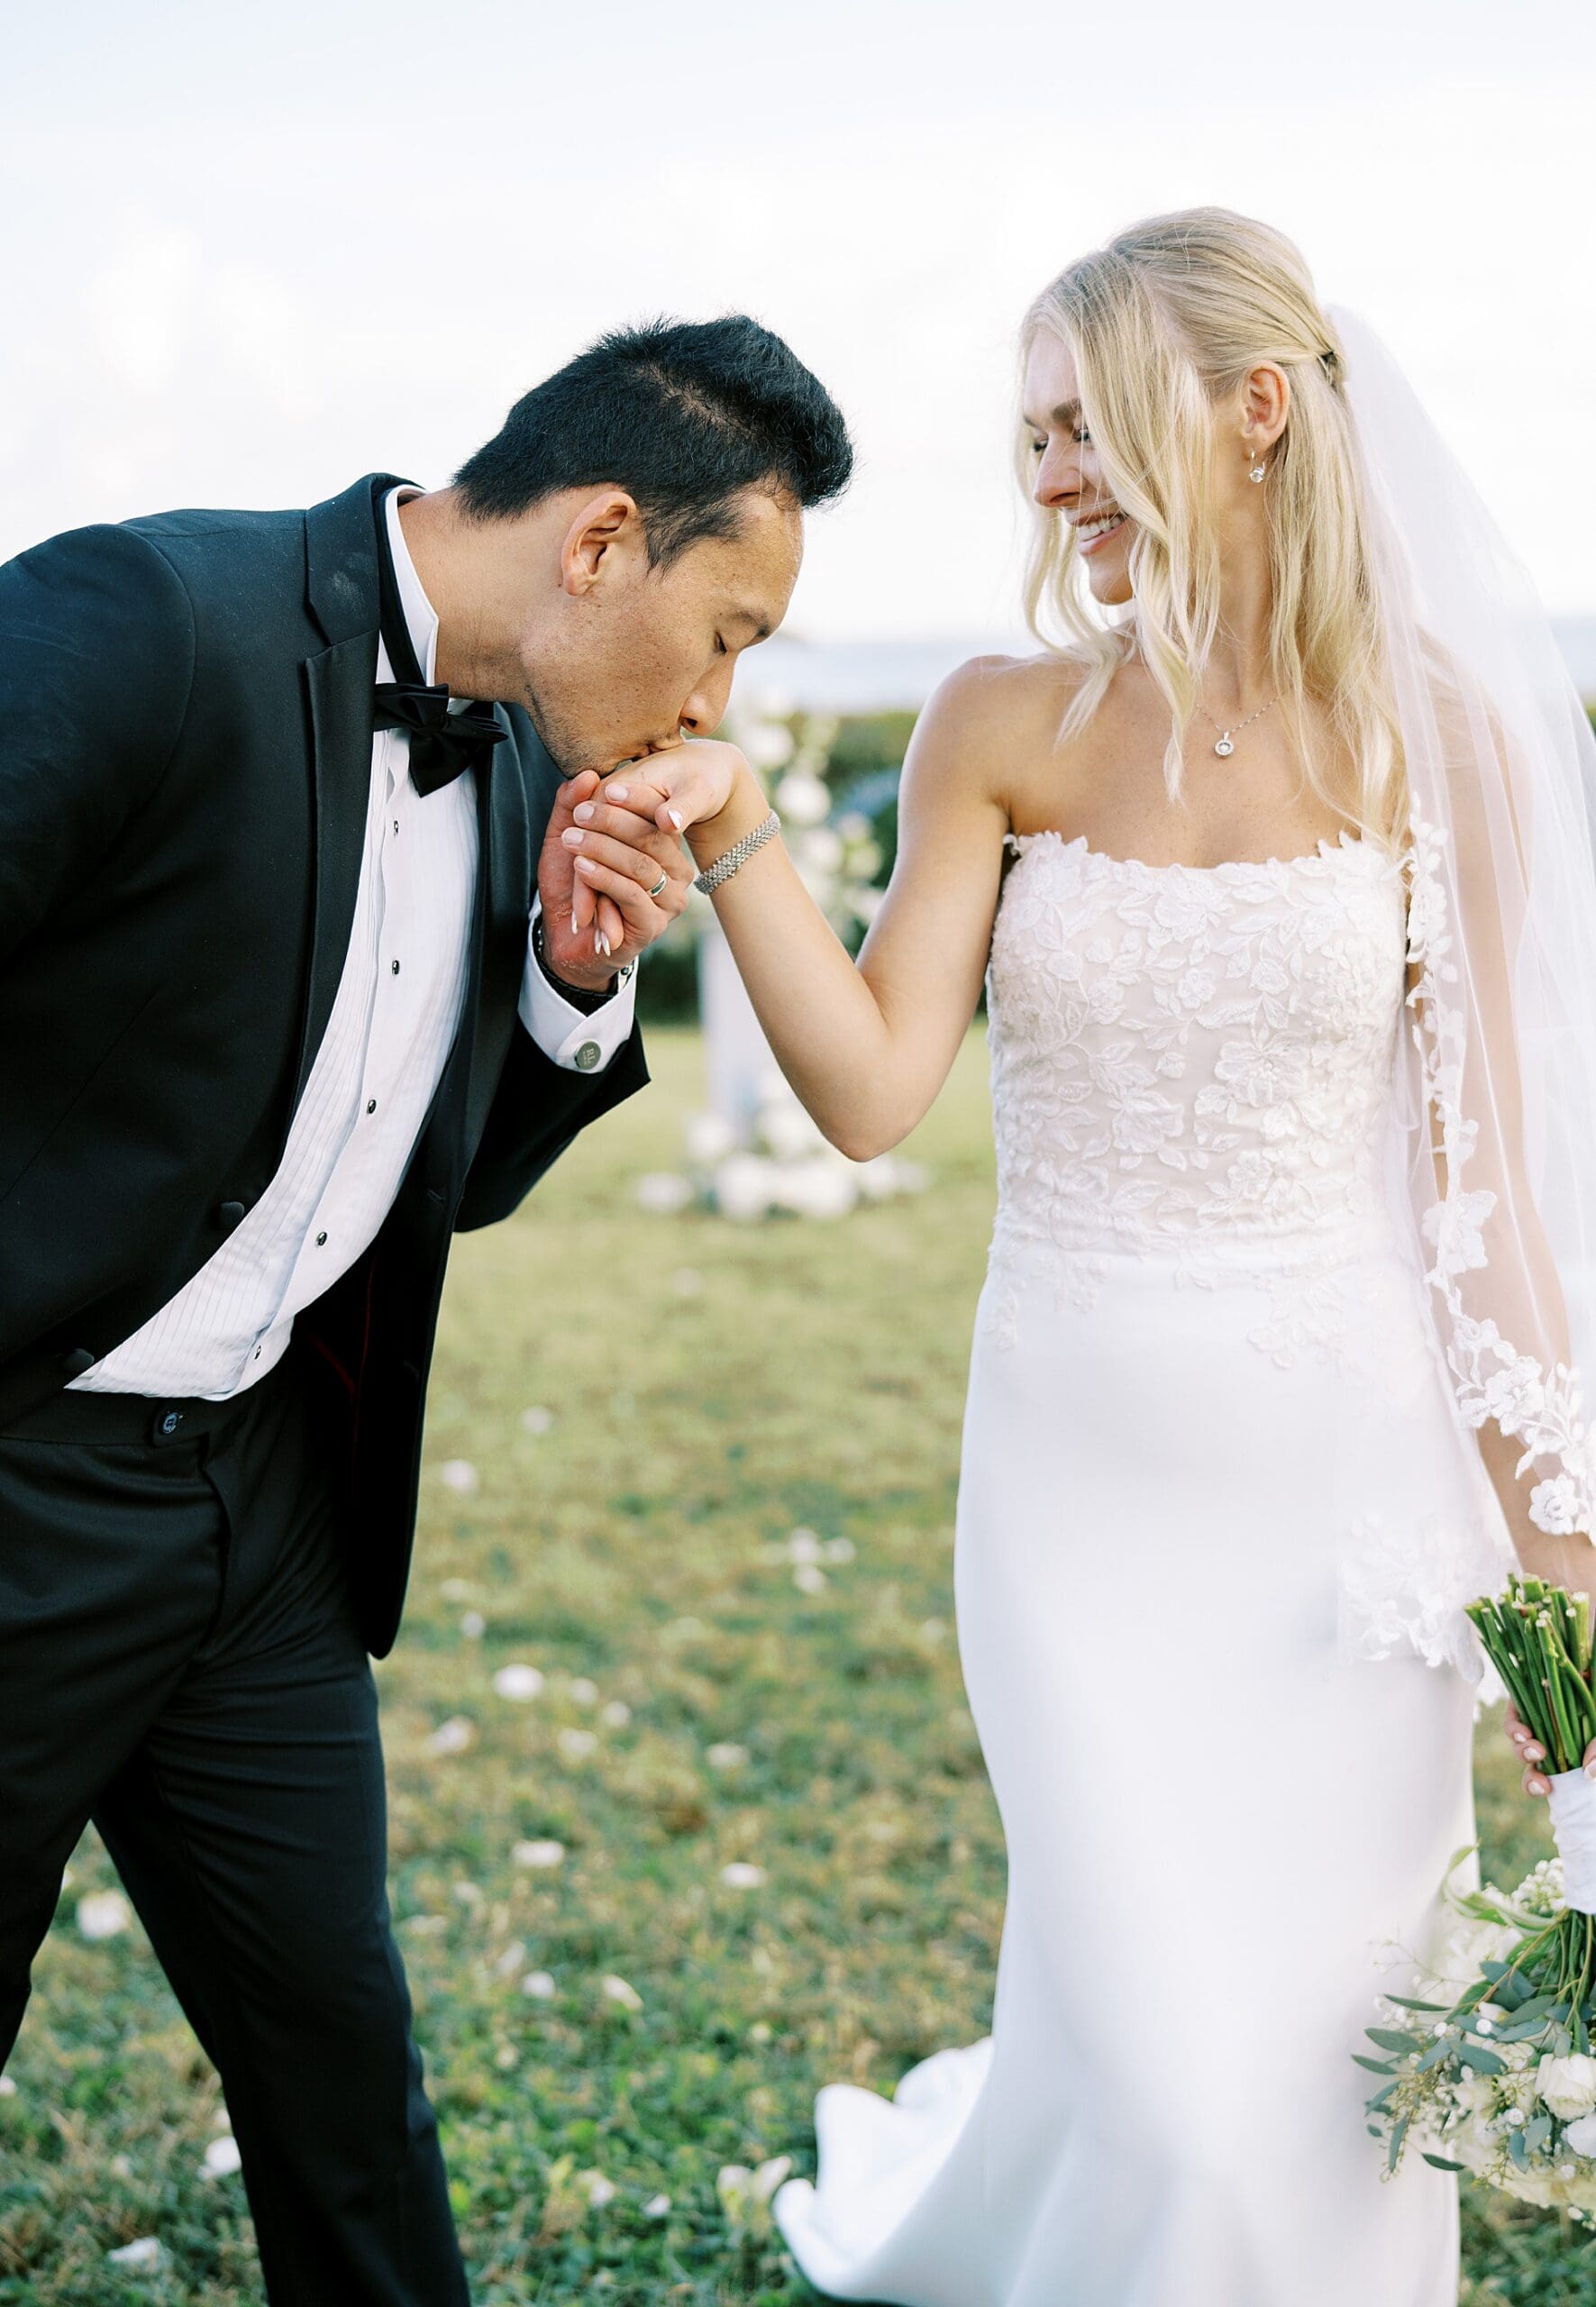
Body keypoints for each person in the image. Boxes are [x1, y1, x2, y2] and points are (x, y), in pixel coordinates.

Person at [570, 212, 1596, 2302]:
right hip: (1077, 1487)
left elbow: (1483, 1207)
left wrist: (1565, 1590)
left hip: (1345, 1507)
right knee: (1152, 2051)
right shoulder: (998, 720)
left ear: (1253, 412)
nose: (1043, 473)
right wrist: (737, 828)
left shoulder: (1441, 745)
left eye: (1079, 418)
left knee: (1303, 2072)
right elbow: (867, 1089)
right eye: (1026, 430)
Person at [0, 315, 852, 2305]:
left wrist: (566, 977)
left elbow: (431, 1172)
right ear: (600, 544)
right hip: (22, 1491)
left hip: (267, 1521)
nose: (719, 695)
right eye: (726, 630)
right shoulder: (147, 616)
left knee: (344, 2081)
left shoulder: (529, 747)